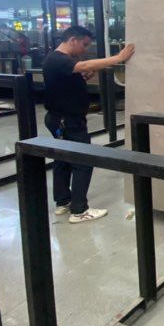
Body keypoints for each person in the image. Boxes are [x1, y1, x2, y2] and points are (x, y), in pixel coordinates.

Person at [42, 26, 135, 224]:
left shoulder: (57, 60)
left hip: (60, 118)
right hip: (68, 120)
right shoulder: (59, 59)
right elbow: (85, 65)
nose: (85, 49)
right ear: (72, 40)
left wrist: (78, 78)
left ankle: (63, 202)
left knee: (62, 159)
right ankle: (79, 210)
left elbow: (69, 79)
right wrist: (119, 58)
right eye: (84, 45)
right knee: (83, 161)